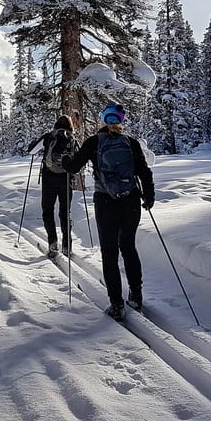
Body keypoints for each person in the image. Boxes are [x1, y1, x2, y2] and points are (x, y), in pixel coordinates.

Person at [63, 101, 154, 321]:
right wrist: (148, 197)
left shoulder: (94, 142)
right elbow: (144, 172)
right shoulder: (130, 143)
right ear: (121, 122)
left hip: (105, 202)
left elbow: (73, 167)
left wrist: (66, 159)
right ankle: (136, 296)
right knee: (129, 248)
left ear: (104, 120)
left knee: (110, 253)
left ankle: (116, 304)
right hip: (131, 201)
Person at [28, 115, 78, 258]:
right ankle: (67, 246)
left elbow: (31, 151)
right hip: (66, 178)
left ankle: (53, 243)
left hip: (49, 178)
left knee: (48, 211)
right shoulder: (72, 139)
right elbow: (79, 158)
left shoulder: (49, 136)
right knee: (65, 213)